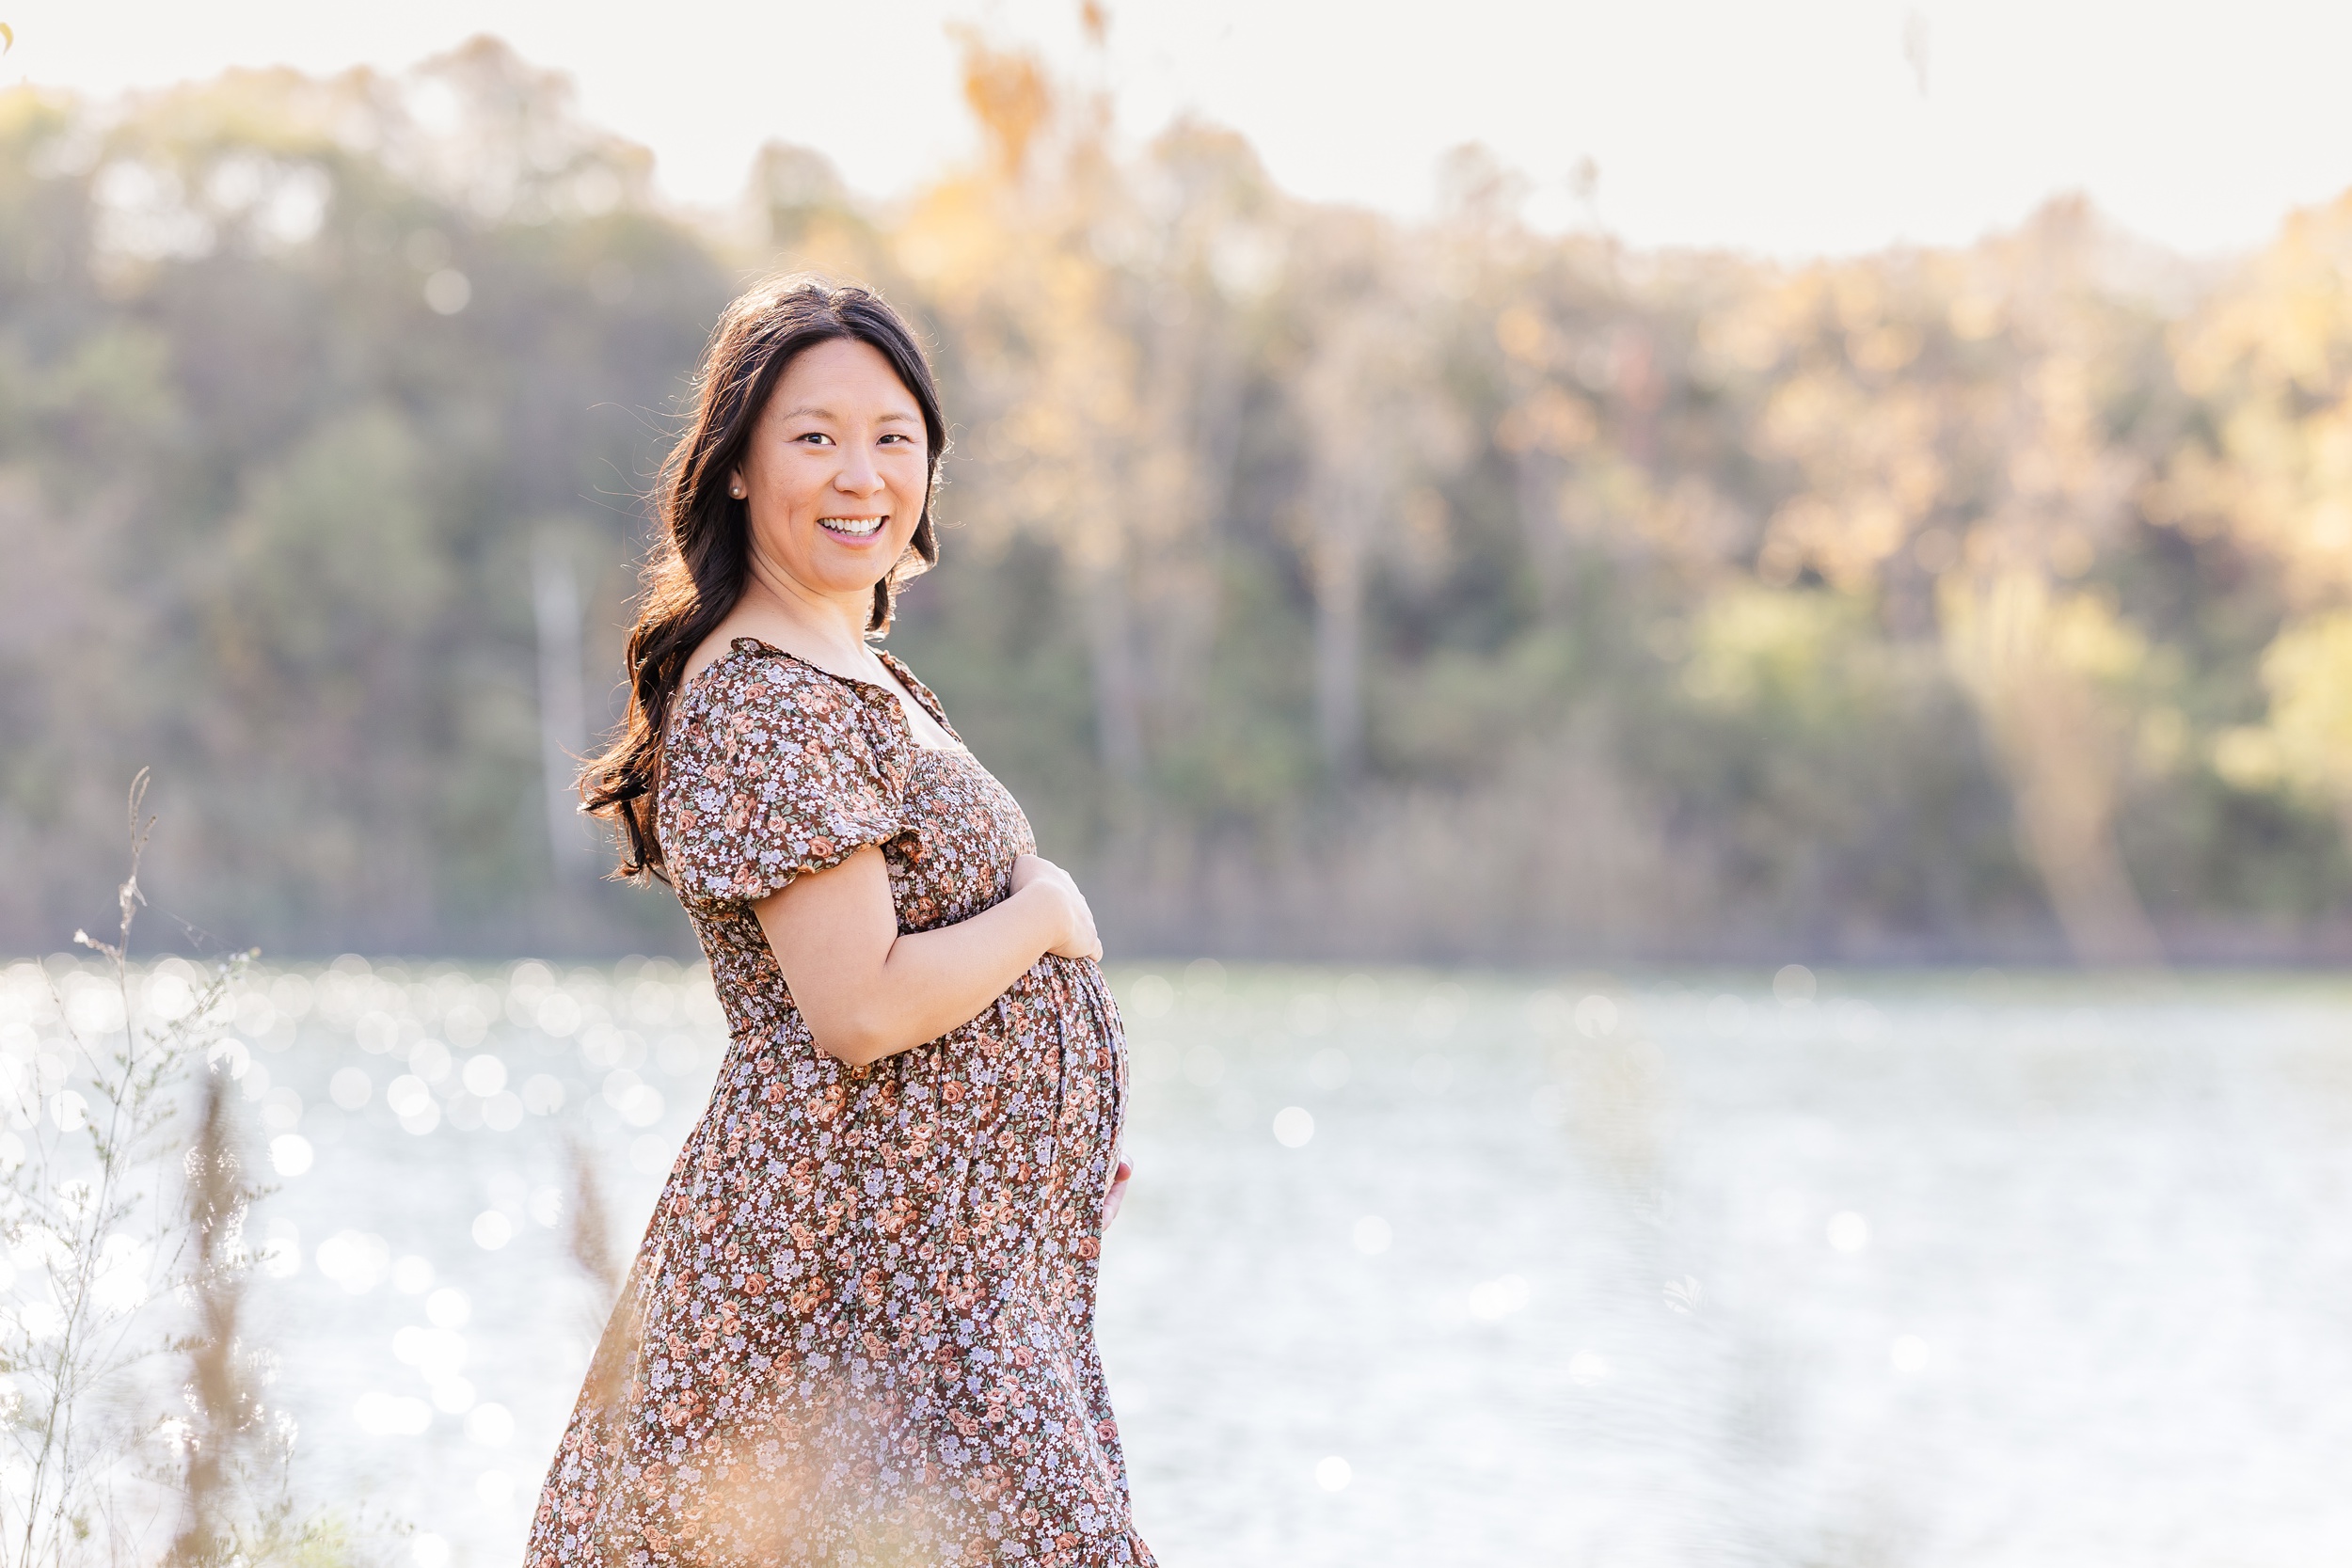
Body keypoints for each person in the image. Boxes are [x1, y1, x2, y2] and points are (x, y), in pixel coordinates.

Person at [527, 277, 1152, 1566]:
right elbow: (859, 1007)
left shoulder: (853, 673)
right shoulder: (767, 698)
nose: (860, 472)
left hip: (948, 1277)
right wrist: (1042, 913)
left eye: (894, 436)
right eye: (815, 436)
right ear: (741, 466)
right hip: (857, 1300)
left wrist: (1038, 1158)